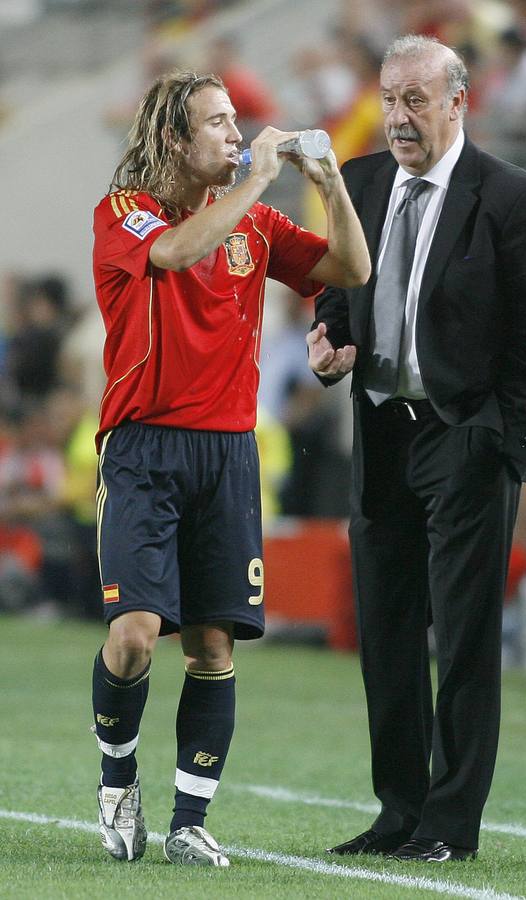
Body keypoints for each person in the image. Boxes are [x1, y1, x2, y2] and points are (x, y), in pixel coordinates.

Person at [90, 70, 369, 867]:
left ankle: (187, 821)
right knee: (136, 636)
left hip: (226, 451)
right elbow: (176, 254)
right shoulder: (126, 212)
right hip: (143, 446)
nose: (234, 132)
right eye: (215, 122)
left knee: (213, 645)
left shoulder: (259, 222)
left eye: (234, 119)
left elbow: (350, 270)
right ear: (175, 139)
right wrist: (253, 182)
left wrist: (330, 185)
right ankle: (116, 783)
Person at [307, 34, 526, 863]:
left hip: (462, 435)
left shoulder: (514, 197)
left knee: (459, 636)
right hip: (381, 431)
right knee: (384, 629)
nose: (398, 117)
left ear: (459, 103)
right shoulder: (359, 182)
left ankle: (450, 825)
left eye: (415, 100)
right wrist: (328, 338)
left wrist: (501, 440)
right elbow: (339, 291)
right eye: (389, 99)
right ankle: (398, 811)